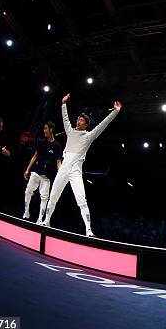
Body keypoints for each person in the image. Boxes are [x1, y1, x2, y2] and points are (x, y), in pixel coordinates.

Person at [40, 94, 122, 237]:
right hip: (64, 167)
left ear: (86, 124)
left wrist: (115, 111)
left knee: (81, 200)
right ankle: (46, 220)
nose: (79, 120)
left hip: (76, 171)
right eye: (79, 118)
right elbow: (65, 119)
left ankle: (88, 230)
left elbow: (104, 124)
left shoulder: (89, 136)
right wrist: (63, 104)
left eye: (82, 120)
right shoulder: (70, 132)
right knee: (53, 196)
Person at [23, 121, 62, 221]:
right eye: (44, 128)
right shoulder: (41, 141)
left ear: (51, 129)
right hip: (36, 172)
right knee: (28, 191)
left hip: (46, 176)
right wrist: (27, 170)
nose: (44, 131)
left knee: (44, 198)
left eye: (46, 128)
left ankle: (40, 219)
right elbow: (35, 156)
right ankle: (26, 212)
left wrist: (60, 175)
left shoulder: (57, 145)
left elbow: (58, 161)